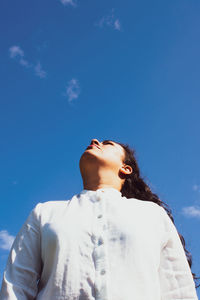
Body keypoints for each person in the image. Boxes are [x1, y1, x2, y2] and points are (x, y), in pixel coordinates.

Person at [0, 138, 198, 300]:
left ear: (125, 168)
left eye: (108, 143)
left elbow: (178, 292)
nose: (94, 140)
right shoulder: (45, 212)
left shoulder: (152, 214)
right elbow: (16, 285)